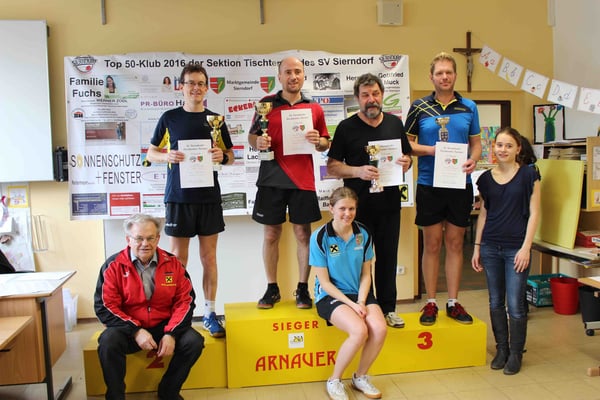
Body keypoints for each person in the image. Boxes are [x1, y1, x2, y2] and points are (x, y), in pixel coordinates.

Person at [146, 64, 234, 338]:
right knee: (177, 260)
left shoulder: (216, 120)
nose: (195, 88)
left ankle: (209, 313)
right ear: (181, 87)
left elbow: (230, 156)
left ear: (207, 88)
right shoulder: (169, 118)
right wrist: (166, 156)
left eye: (200, 83)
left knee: (209, 258)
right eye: (190, 83)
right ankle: (177, 314)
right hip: (179, 198)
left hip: (208, 198)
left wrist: (222, 157)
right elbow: (151, 153)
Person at [327, 73, 413, 329]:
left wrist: (406, 163)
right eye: (365, 95)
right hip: (356, 209)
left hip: (389, 204)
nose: (371, 99)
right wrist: (357, 171)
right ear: (358, 98)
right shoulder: (346, 127)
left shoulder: (395, 123)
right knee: (359, 261)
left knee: (388, 258)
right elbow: (332, 167)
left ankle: (388, 309)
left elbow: (407, 158)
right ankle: (362, 308)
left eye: (375, 94)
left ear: (382, 95)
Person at [404, 52, 482, 326]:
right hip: (429, 184)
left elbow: (476, 144)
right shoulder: (419, 107)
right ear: (431, 77)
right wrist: (432, 150)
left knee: (456, 243)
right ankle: (430, 302)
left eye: (449, 72)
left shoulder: (469, 107)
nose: (444, 77)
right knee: (433, 244)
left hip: (459, 183)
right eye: (439, 73)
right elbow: (407, 144)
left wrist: (474, 159)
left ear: (455, 75)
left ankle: (453, 301)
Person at [248, 56, 330, 310]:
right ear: (280, 76)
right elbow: (252, 137)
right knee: (271, 234)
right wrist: (257, 142)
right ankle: (272, 288)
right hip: (270, 178)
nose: (293, 76)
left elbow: (325, 142)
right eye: (288, 72)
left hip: (302, 180)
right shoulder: (265, 104)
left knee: (303, 234)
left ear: (303, 75)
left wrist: (319, 141)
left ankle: (303, 288)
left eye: (298, 71)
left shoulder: (314, 108)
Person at [94, 213, 204, 400]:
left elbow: (185, 301)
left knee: (194, 342)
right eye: (139, 238)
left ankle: (168, 392)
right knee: (108, 341)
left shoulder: (174, 264)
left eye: (150, 238)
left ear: (158, 239)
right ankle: (115, 396)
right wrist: (135, 330)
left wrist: (171, 333)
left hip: (164, 327)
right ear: (128, 239)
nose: (145, 244)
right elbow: (105, 306)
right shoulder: (113, 266)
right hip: (128, 330)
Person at [471, 127, 541, 375]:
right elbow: (484, 214)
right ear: (493, 147)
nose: (503, 149)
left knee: (515, 304)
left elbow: (535, 213)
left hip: (516, 249)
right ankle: (502, 349)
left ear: (518, 148)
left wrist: (526, 248)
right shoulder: (485, 179)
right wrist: (477, 248)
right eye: (499, 145)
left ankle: (516, 353)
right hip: (491, 246)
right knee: (495, 301)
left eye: (509, 145)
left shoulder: (529, 174)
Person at [310, 187, 387, 400]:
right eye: (342, 208)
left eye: (351, 208)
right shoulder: (320, 237)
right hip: (330, 295)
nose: (347, 213)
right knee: (359, 331)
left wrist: (361, 300)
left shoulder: (363, 233)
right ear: (331, 209)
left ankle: (360, 377)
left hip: (359, 292)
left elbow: (366, 274)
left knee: (380, 329)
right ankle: (334, 380)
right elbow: (324, 283)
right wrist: (353, 305)